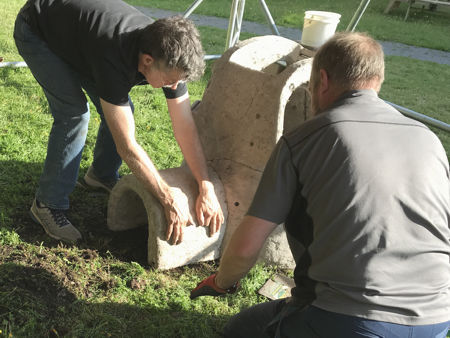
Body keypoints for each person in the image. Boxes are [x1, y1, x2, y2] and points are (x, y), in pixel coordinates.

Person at [190, 32, 450, 337]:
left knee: (242, 329)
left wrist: (221, 282)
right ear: (377, 80)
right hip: (436, 317)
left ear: (322, 81)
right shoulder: (428, 138)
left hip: (350, 321)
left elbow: (246, 248)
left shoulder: (303, 140)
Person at [13, 0, 224, 244]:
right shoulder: (115, 56)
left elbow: (185, 128)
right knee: (73, 114)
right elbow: (127, 146)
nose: (174, 87)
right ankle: (47, 203)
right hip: (38, 29)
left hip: (80, 37)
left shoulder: (170, 56)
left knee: (123, 110)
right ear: (147, 61)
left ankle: (101, 175)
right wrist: (168, 198)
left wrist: (205, 185)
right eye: (169, 82)